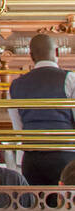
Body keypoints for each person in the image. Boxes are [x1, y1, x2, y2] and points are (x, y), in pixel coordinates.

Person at [8, 33, 75, 184]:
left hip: (32, 159)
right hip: (66, 157)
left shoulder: (15, 85)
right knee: (65, 205)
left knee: (36, 205)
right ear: (57, 52)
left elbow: (18, 129)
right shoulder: (70, 79)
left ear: (31, 55)